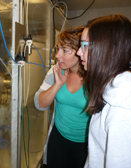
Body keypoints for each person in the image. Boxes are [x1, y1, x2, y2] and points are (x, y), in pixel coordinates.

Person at [77, 14, 131, 168]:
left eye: (84, 45)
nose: (78, 52)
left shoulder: (123, 109)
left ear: (106, 49)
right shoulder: (114, 89)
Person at [34, 27, 91, 168]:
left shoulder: (95, 78)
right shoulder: (56, 71)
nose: (58, 55)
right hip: (59, 138)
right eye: (58, 49)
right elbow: (39, 104)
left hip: (86, 143)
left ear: (80, 52)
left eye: (65, 50)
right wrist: (58, 84)